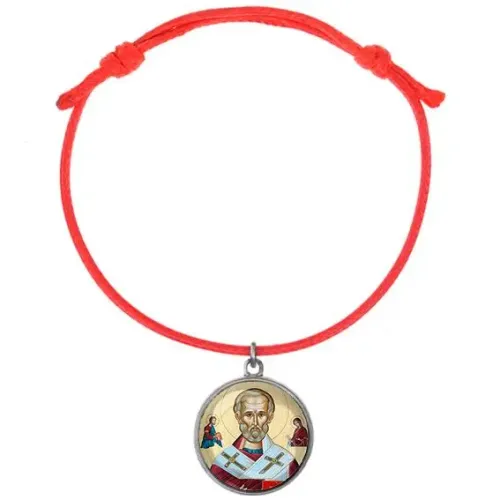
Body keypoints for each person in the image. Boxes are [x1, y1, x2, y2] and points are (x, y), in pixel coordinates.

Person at [210, 388, 299, 492]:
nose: (255, 422)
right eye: (249, 415)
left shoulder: (287, 462)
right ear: (238, 417)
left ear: (270, 417)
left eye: (261, 414)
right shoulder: (222, 462)